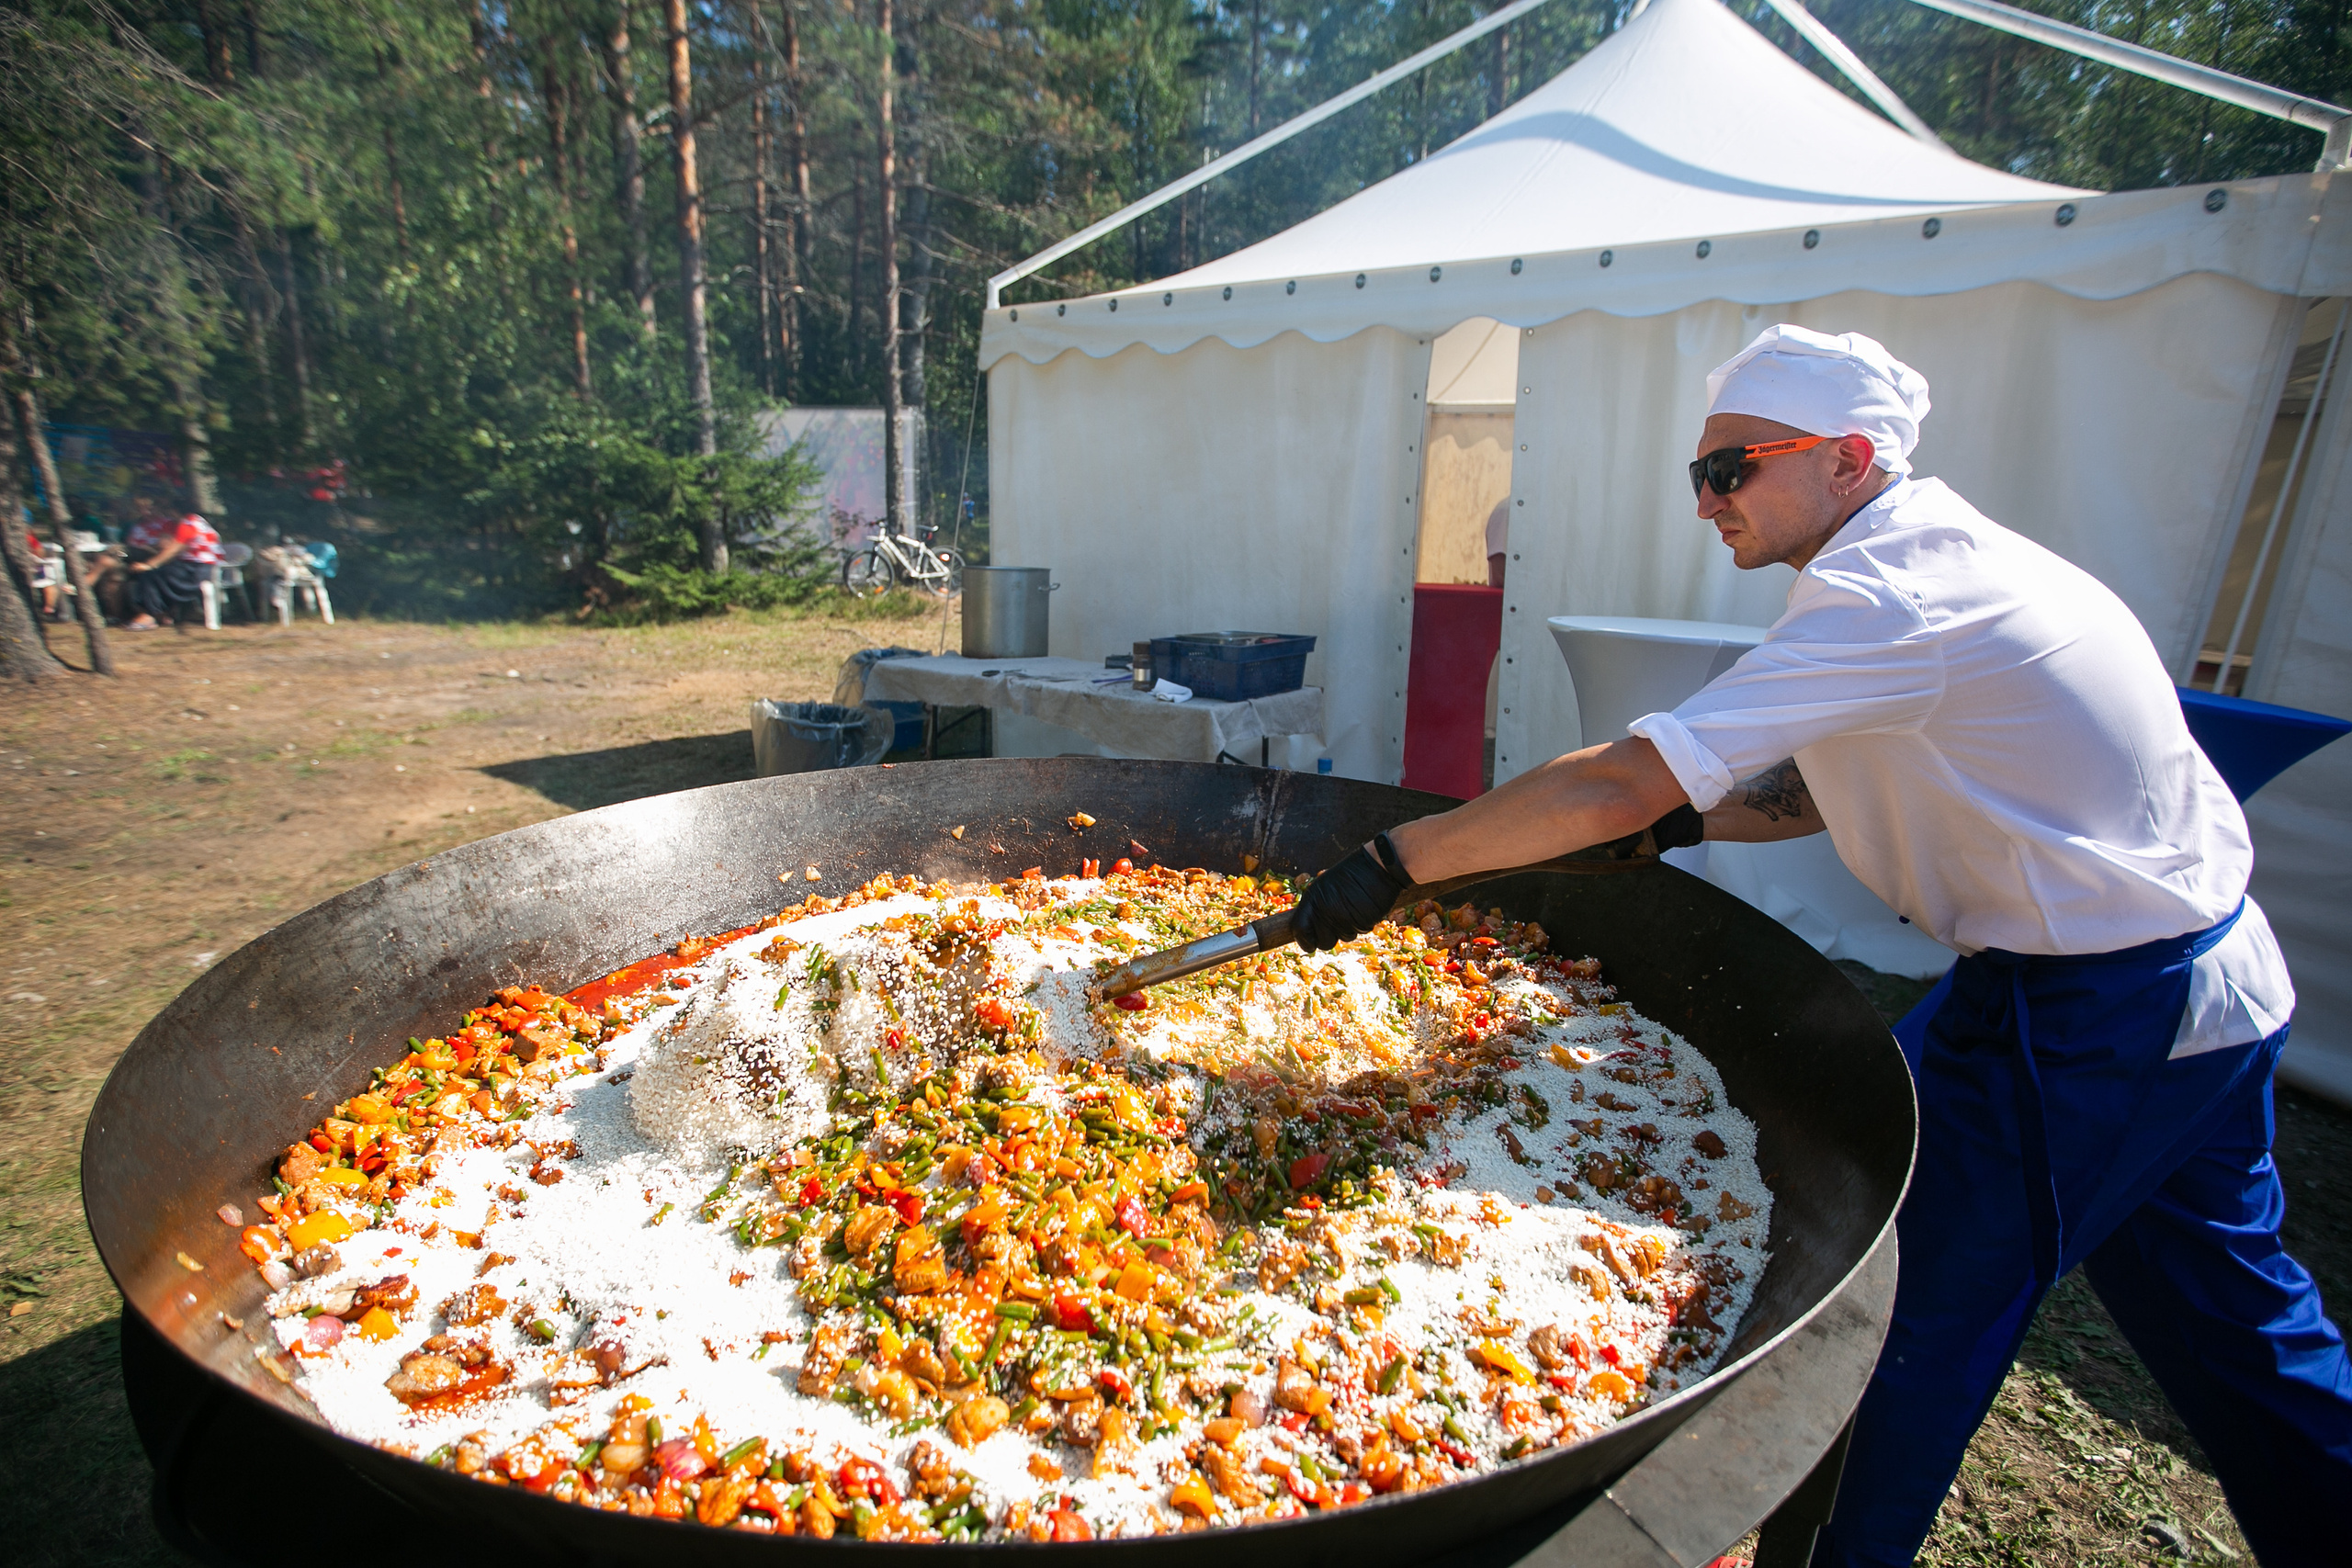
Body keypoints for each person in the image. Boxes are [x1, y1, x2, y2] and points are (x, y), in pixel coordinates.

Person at [1291, 323, 2351, 1566]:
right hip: (2203, 980)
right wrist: (1675, 827)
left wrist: (1395, 860)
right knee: (2239, 1324)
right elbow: (1813, 779)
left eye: (1732, 469)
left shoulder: (1889, 588)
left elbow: (1628, 769)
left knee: (1889, 1329)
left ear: (1848, 459)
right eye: (1699, 475)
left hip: (2094, 1013)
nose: (1707, 503)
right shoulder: (1932, 560)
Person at [124, 502, 222, 630]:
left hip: (199, 569)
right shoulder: (195, 522)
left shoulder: (189, 523)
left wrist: (149, 565)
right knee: (159, 575)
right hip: (196, 566)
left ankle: (151, 614)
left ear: (175, 511)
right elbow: (166, 544)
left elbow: (174, 548)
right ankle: (160, 613)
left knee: (150, 576)